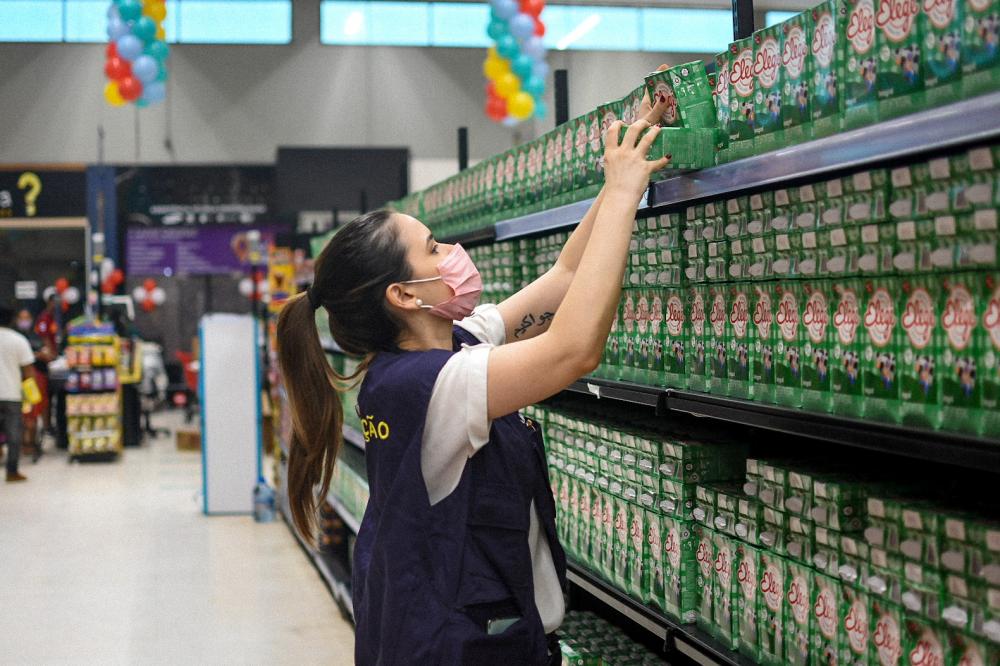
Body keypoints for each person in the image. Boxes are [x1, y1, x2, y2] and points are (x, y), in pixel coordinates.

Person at [276, 98, 670, 664]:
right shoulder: (429, 385)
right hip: (455, 647)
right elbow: (573, 349)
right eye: (434, 247)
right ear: (405, 295)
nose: (453, 253)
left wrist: (625, 168)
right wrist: (627, 194)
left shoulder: (449, 341)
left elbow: (563, 276)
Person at [0, 303, 36, 482]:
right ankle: (12, 471)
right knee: (14, 434)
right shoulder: (18, 340)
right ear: (13, 320)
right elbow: (28, 371)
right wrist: (31, 396)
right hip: (12, 394)